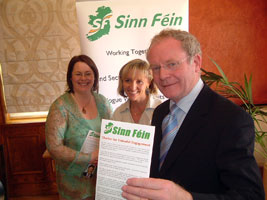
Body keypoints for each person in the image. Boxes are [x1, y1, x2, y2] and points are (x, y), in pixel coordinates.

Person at [121, 29, 265, 199]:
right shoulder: (160, 112)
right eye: (156, 68)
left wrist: (187, 198)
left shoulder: (231, 119)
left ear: (196, 62)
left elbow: (251, 196)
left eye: (172, 64)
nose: (162, 75)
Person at [45, 54, 112, 200]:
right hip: (73, 183)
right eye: (78, 74)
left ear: (95, 77)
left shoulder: (103, 103)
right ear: (70, 77)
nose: (83, 78)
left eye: (88, 74)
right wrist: (88, 157)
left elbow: (111, 135)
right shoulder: (60, 107)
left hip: (101, 179)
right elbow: (54, 147)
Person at [112, 58, 162, 125]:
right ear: (122, 82)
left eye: (139, 82)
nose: (133, 87)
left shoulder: (160, 109)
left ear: (148, 82)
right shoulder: (118, 113)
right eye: (128, 80)